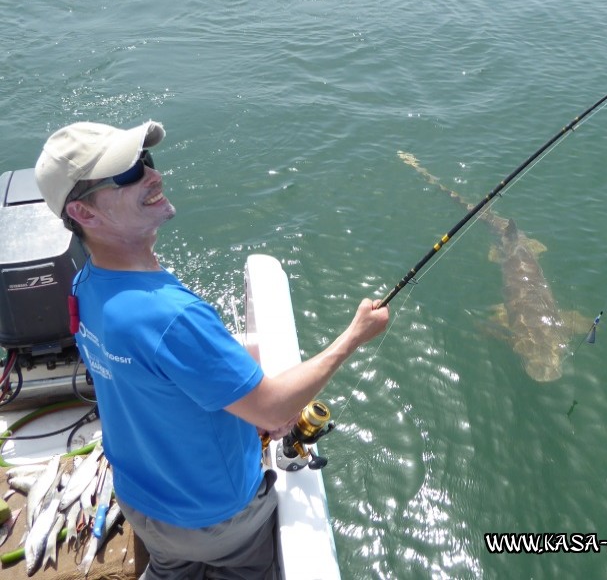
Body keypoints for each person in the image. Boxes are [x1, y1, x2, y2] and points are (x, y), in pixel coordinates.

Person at [34, 120, 390, 579]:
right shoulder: (171, 317)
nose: (152, 176)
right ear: (84, 214)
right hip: (215, 519)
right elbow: (272, 409)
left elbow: (153, 378)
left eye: (147, 162)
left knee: (170, 567)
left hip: (142, 502)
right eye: (126, 175)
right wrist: (354, 336)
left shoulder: (86, 287)